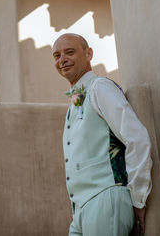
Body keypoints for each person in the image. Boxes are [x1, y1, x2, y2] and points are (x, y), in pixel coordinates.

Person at [52, 33, 152, 236]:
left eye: (69, 52)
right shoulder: (75, 101)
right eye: (56, 55)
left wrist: (138, 199)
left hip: (105, 199)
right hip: (80, 211)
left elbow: (136, 138)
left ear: (88, 54)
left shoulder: (100, 88)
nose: (62, 60)